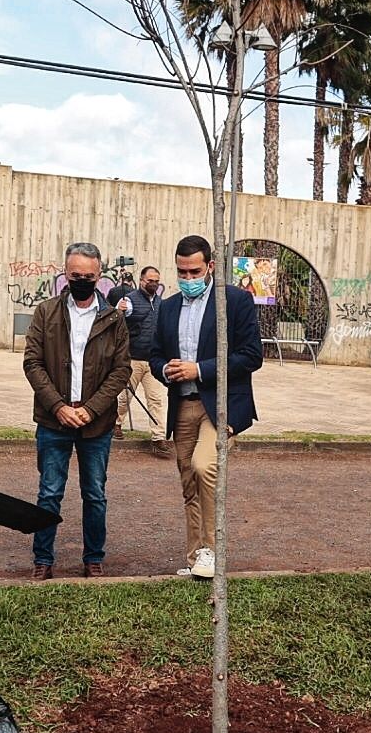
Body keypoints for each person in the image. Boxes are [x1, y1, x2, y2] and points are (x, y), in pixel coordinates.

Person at [150, 234, 262, 579]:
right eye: (181, 272)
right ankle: (196, 556)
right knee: (189, 482)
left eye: (194, 272)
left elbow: (251, 356)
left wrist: (200, 369)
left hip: (221, 406)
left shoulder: (236, 301)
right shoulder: (167, 306)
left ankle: (213, 552)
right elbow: (154, 354)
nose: (187, 279)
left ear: (210, 266)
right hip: (182, 404)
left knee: (204, 468)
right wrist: (164, 369)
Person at [21, 242, 130, 579]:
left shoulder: (113, 319)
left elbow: (120, 371)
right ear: (65, 273)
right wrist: (58, 406)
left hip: (95, 425)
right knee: (49, 493)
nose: (82, 280)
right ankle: (43, 559)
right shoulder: (46, 312)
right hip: (54, 421)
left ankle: (93, 557)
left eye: (89, 276)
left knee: (95, 494)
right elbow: (33, 362)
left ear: (100, 276)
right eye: (75, 275)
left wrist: (91, 409)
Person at [108, 266, 165, 439]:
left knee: (156, 400)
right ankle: (116, 424)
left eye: (156, 281)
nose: (154, 284)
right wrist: (120, 312)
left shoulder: (160, 302)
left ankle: (158, 436)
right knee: (124, 397)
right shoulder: (129, 300)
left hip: (153, 360)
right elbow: (115, 323)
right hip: (132, 358)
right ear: (141, 281)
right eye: (150, 281)